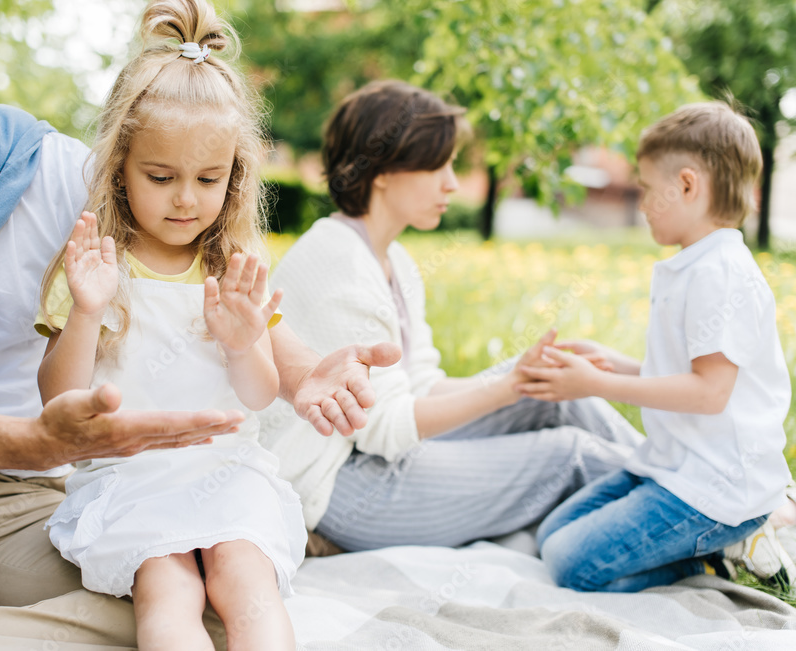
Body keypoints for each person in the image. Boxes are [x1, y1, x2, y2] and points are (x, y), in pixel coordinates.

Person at [0, 0, 394, 649]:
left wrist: (305, 369)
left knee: (205, 590)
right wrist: (32, 438)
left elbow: (190, 258)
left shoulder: (48, 169)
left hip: (15, 501)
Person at [259, 80, 644, 553]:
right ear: (382, 171)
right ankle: (701, 508)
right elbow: (387, 431)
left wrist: (521, 378)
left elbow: (420, 383)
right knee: (571, 457)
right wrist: (506, 387)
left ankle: (696, 473)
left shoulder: (393, 259)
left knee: (552, 383)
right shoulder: (339, 262)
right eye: (437, 165)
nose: (452, 183)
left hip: (375, 454)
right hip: (338, 487)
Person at [35, 0, 304, 648]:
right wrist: (88, 310)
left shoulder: (232, 267)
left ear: (234, 178)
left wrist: (245, 345)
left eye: (209, 179)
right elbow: (58, 398)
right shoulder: (105, 264)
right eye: (161, 176)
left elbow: (261, 395)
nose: (187, 199)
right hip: (135, 477)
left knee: (245, 576)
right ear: (120, 168)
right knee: (169, 584)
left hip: (227, 470)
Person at [521, 101, 794, 592]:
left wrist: (598, 384)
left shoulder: (721, 272)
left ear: (688, 185)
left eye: (647, 188)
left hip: (715, 490)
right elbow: (683, 374)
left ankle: (719, 556)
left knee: (569, 565)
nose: (642, 202)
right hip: (671, 465)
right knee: (551, 535)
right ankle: (713, 548)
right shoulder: (696, 263)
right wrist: (617, 365)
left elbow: (709, 393)